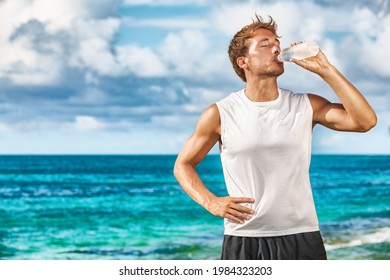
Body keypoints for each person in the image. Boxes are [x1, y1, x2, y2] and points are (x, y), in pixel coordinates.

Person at [173, 15, 377, 260]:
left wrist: (327, 70)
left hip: (302, 235)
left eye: (276, 42)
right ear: (243, 61)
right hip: (244, 239)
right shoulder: (220, 113)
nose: (276, 48)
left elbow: (365, 121)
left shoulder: (305, 105)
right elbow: (183, 164)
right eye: (265, 44)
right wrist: (211, 202)